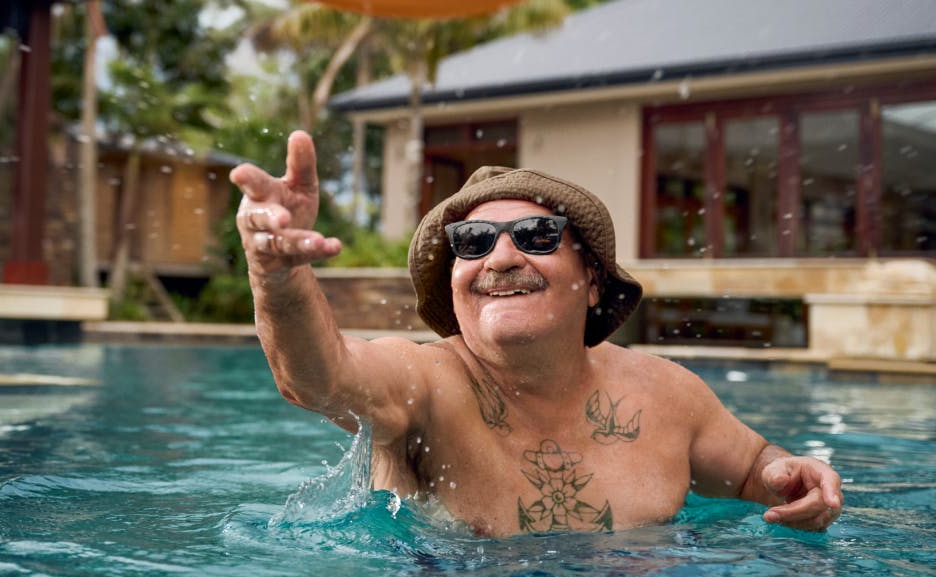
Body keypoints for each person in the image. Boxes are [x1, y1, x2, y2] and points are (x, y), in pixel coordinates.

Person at [230, 130, 844, 537]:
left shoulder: (666, 394)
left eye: (536, 236)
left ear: (594, 280)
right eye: (471, 244)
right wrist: (277, 277)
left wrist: (786, 475)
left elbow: (749, 471)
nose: (499, 259)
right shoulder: (426, 383)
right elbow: (321, 378)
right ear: (453, 282)